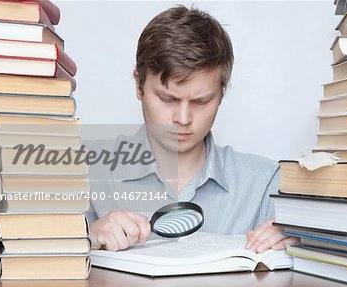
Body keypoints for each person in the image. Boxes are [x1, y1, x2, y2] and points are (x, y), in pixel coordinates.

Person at [89, 5, 294, 253]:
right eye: (167, 98)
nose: (183, 118)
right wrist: (83, 238)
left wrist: (304, 244)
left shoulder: (265, 184)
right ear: (139, 85)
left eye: (201, 101)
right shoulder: (84, 172)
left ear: (221, 95)